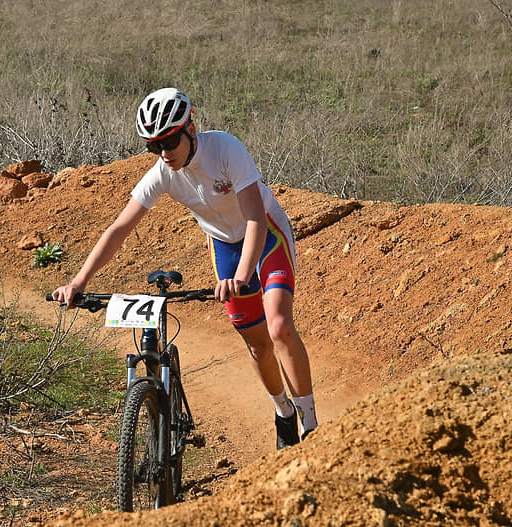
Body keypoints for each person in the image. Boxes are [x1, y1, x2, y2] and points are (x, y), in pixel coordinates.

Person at [51, 87, 317, 449]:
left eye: (169, 141)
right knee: (257, 347)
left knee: (280, 326)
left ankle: (312, 425)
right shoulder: (163, 173)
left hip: (266, 234)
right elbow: (119, 229)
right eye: (153, 146)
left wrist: (242, 276)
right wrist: (78, 281)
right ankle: (284, 412)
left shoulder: (225, 149)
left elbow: (254, 217)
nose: (163, 153)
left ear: (190, 129)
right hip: (223, 245)